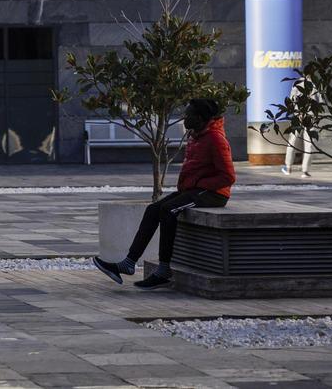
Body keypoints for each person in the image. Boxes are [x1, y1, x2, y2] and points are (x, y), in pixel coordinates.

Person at [92, 98, 235, 290]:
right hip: (193, 190)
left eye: (189, 114)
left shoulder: (215, 139)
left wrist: (198, 184)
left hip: (212, 194)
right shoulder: (197, 135)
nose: (184, 118)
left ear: (200, 118)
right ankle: (128, 263)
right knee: (153, 209)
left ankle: (163, 270)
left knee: (168, 211)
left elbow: (228, 176)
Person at [282, 79, 317, 178]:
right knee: (309, 144)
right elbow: (320, 101)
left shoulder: (297, 84)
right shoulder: (315, 85)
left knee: (292, 141)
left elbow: (291, 101)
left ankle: (288, 167)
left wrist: (297, 113)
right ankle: (305, 170)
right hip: (311, 117)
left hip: (298, 117)